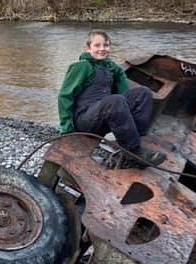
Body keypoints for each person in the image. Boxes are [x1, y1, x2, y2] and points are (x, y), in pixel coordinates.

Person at [57, 30, 166, 168]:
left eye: (106, 45)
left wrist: (119, 75)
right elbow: (65, 96)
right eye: (97, 45)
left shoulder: (109, 67)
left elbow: (122, 84)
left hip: (102, 118)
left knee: (143, 93)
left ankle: (136, 141)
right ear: (88, 48)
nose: (102, 49)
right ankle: (133, 152)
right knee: (115, 100)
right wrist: (67, 129)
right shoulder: (82, 66)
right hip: (84, 121)